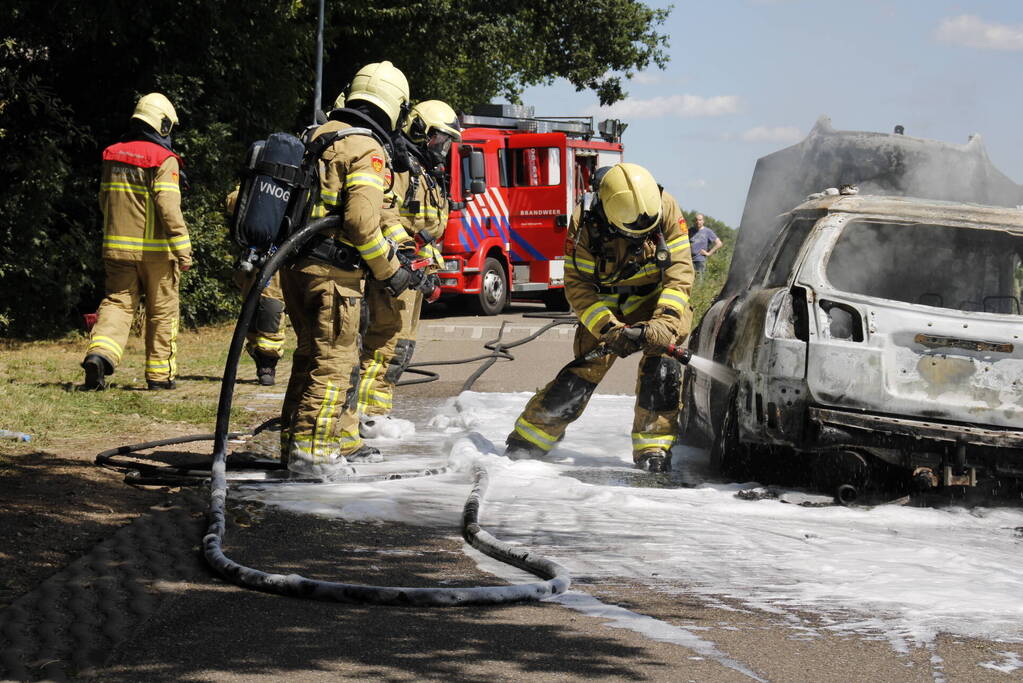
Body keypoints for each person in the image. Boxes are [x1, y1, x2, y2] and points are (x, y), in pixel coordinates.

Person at [504, 163, 695, 473]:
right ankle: (529, 438)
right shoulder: (585, 224)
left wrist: (664, 324)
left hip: (654, 302)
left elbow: (680, 273)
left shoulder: (665, 206)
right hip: (606, 308)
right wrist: (610, 330)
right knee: (585, 370)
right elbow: (577, 286)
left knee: (662, 368)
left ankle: (653, 448)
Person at [279, 61, 419, 477]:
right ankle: (314, 455)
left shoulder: (316, 135)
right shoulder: (366, 149)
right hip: (333, 276)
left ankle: (293, 442)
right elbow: (361, 223)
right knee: (335, 363)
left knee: (308, 358)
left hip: (295, 268)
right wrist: (389, 270)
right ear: (395, 106)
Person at [357, 100, 460, 436]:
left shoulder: (426, 173)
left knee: (402, 346)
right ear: (418, 129)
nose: (442, 149)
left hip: (415, 273)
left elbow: (431, 229)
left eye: (446, 142)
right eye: (438, 139)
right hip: (396, 271)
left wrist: (429, 270)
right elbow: (385, 214)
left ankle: (378, 410)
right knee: (385, 342)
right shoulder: (401, 169)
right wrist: (405, 255)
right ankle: (366, 414)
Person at [81, 93, 191, 391]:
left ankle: (100, 356)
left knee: (118, 304)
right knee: (162, 311)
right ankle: (159, 376)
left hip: (116, 248)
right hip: (157, 254)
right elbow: (168, 206)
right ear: (163, 125)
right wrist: (183, 247)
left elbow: (104, 200)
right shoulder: (164, 159)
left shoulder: (111, 155)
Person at [225, 187, 287, 386]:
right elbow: (233, 202)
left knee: (272, 308)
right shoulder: (259, 182)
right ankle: (259, 355)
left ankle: (268, 362)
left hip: (280, 255)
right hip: (253, 257)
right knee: (251, 310)